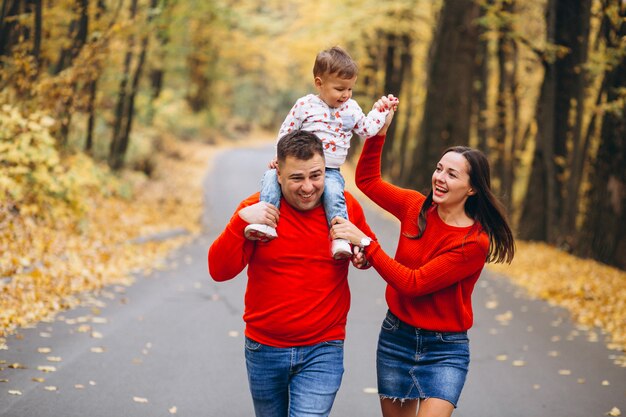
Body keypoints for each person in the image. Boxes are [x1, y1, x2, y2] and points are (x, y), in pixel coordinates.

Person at [330, 97, 515, 417]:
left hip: (444, 350)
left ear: (472, 189)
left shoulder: (474, 242)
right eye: (439, 169)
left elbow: (413, 284)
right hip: (396, 339)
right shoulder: (415, 207)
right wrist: (379, 132)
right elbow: (368, 182)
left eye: (452, 175)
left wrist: (366, 243)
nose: (440, 178)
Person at [208, 129, 377, 417]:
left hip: (323, 347)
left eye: (316, 175)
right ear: (278, 174)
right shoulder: (257, 211)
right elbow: (219, 271)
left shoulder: (345, 208)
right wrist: (239, 223)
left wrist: (363, 254)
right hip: (264, 348)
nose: (308, 187)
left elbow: (367, 250)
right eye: (297, 178)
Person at [244, 45, 398, 259]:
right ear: (319, 83)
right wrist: (281, 160)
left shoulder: (351, 109)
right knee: (270, 178)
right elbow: (286, 132)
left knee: (335, 194)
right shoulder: (305, 105)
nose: (346, 95)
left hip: (331, 170)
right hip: (301, 164)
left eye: (350, 89)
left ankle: (340, 238)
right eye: (340, 89)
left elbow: (367, 129)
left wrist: (380, 113)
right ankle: (266, 222)